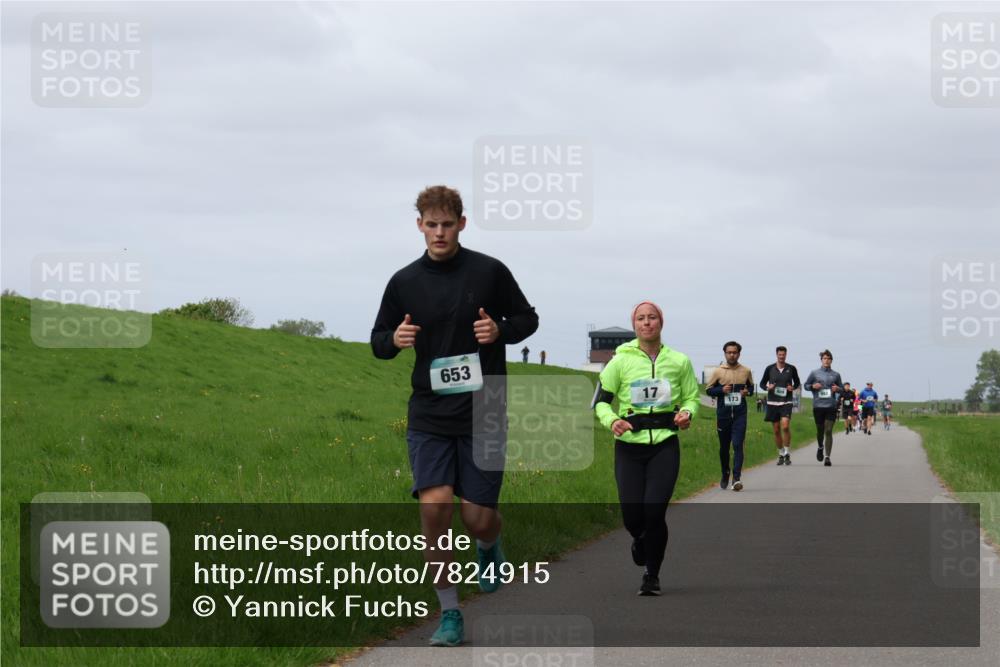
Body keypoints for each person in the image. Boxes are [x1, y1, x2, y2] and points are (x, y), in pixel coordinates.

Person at [370, 185, 539, 646]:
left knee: (478, 517)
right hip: (429, 411)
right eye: (431, 224)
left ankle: (489, 546)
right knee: (435, 506)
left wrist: (500, 330)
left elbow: (528, 318)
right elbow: (378, 339)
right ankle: (449, 613)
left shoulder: (490, 271)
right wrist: (395, 340)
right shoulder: (404, 281)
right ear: (420, 226)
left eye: (447, 224)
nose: (439, 232)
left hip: (485, 409)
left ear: (462, 224)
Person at [593, 301, 699, 596]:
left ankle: (651, 574)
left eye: (652, 317)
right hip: (628, 447)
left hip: (665, 444)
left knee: (654, 512)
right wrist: (611, 419)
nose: (647, 323)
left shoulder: (679, 361)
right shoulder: (620, 361)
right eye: (641, 318)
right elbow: (600, 401)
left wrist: (687, 414)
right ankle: (640, 539)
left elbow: (692, 397)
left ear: (661, 322)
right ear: (634, 324)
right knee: (632, 514)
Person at [704, 341, 754, 491]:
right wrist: (721, 390)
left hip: (740, 414)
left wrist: (747, 392)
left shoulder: (746, 370)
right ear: (725, 353)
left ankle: (736, 478)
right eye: (729, 352)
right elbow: (708, 390)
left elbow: (751, 387)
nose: (732, 355)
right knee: (724, 447)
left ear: (739, 353)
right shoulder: (718, 371)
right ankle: (725, 472)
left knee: (738, 445)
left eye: (735, 352)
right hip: (723, 414)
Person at [760, 346, 801, 465]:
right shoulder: (769, 368)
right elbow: (762, 383)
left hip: (786, 401)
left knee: (785, 426)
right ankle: (781, 453)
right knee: (777, 430)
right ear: (776, 355)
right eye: (780, 355)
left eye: (783, 355)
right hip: (773, 402)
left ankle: (787, 452)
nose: (782, 357)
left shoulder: (791, 368)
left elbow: (797, 382)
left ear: (786, 355)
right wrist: (768, 387)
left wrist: (792, 387)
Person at [803, 350, 844, 466]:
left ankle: (827, 457)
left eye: (829, 358)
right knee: (820, 430)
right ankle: (820, 446)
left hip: (831, 406)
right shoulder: (814, 373)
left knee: (829, 430)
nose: (826, 360)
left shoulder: (836, 375)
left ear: (831, 360)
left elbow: (842, 388)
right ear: (821, 360)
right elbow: (806, 385)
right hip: (818, 406)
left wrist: (838, 389)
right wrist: (812, 386)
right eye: (824, 358)